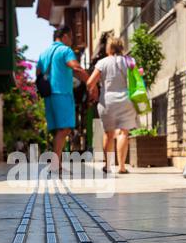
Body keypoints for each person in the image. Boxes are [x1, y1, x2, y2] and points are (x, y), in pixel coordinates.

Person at [37, 26, 89, 172]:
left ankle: (57, 163)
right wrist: (90, 82)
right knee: (65, 128)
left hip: (48, 95)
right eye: (71, 37)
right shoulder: (65, 51)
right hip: (62, 93)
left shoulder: (43, 53)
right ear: (65, 36)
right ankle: (55, 163)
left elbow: (38, 73)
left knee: (58, 130)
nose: (71, 41)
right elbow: (76, 68)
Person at [87, 37, 138, 174]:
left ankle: (108, 166)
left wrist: (95, 93)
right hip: (126, 100)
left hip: (107, 101)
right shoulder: (129, 61)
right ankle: (121, 167)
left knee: (108, 134)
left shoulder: (102, 63)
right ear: (121, 47)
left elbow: (90, 82)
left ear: (109, 48)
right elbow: (137, 78)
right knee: (123, 132)